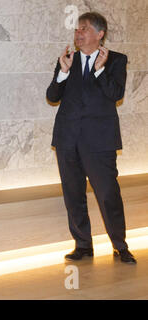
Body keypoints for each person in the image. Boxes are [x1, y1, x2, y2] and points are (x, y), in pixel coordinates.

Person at [46, 12, 136, 264]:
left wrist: (99, 72)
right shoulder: (67, 60)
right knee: (73, 194)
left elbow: (115, 94)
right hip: (67, 139)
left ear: (100, 34)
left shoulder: (115, 60)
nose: (78, 33)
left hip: (100, 141)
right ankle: (83, 244)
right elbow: (52, 96)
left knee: (108, 194)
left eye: (84, 29)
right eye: (77, 29)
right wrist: (62, 73)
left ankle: (120, 245)